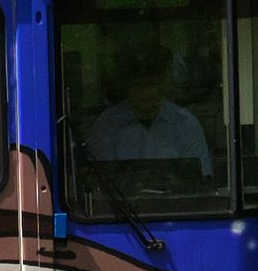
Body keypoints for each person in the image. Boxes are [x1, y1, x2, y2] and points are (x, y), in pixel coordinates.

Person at [83, 37, 212, 178]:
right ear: (127, 85)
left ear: (163, 83)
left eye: (152, 83)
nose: (146, 92)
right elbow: (99, 182)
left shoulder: (186, 125)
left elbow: (199, 181)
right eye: (138, 84)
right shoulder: (106, 127)